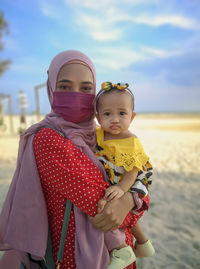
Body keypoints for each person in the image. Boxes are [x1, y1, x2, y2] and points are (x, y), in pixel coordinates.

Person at [0, 50, 150, 269]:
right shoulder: (47, 139)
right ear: (51, 88)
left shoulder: (101, 135)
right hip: (76, 257)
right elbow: (103, 207)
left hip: (120, 255)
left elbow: (143, 171)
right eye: (64, 86)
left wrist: (127, 201)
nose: (76, 94)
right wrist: (136, 200)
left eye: (86, 88)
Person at [95, 81, 155, 259]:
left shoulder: (131, 141)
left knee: (120, 211)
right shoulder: (99, 133)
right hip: (115, 178)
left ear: (132, 117)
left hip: (130, 182)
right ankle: (143, 244)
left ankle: (126, 249)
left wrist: (122, 189)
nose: (114, 119)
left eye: (122, 113)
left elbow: (132, 173)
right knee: (124, 215)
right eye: (107, 114)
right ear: (98, 118)